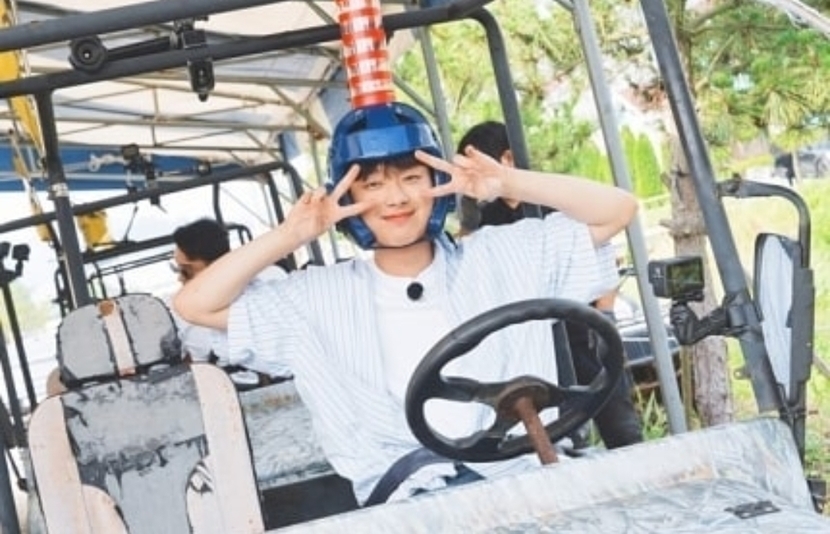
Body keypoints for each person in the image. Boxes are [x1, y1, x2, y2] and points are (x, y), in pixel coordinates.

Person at [174, 101, 638, 506]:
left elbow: (617, 210)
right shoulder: (315, 297)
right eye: (372, 185)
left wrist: (508, 181)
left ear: (438, 181)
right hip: (408, 502)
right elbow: (195, 305)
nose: (395, 198)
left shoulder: (502, 254)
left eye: (412, 178)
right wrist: (290, 235)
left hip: (528, 473)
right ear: (346, 197)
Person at [456, 120, 643, 449]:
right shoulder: (488, 221)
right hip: (531, 337)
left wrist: (606, 314)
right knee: (560, 428)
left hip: (580, 327)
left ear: (508, 158)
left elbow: (607, 237)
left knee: (618, 419)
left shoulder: (556, 201)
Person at [171, 217, 289, 389]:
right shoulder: (183, 315)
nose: (180, 278)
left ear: (217, 265)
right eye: (176, 269)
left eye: (186, 270)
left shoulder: (271, 280)